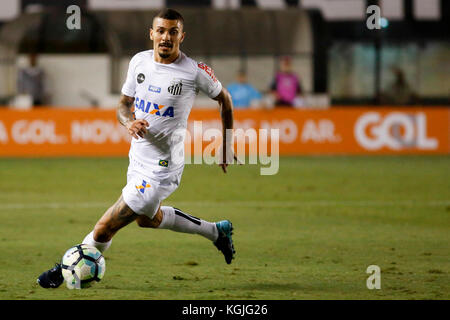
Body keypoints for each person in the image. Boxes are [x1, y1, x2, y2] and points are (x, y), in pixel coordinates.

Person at [37, 8, 236, 289]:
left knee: (106, 227)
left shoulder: (194, 72)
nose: (166, 37)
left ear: (182, 36)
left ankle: (65, 267)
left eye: (173, 32)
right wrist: (129, 122)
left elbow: (225, 100)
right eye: (161, 31)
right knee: (148, 219)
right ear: (152, 33)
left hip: (162, 168)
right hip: (138, 159)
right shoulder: (139, 62)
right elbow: (122, 106)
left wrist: (227, 144)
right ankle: (216, 232)